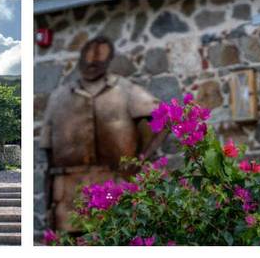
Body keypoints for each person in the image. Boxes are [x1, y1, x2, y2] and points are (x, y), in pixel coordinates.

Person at [40, 36, 167, 231]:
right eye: (87, 59)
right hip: (67, 192)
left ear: (108, 62)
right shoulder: (58, 98)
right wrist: (49, 201)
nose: (91, 63)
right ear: (80, 61)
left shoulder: (125, 90)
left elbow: (163, 117)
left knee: (116, 236)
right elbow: (49, 153)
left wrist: (140, 161)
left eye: (98, 60)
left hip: (114, 184)